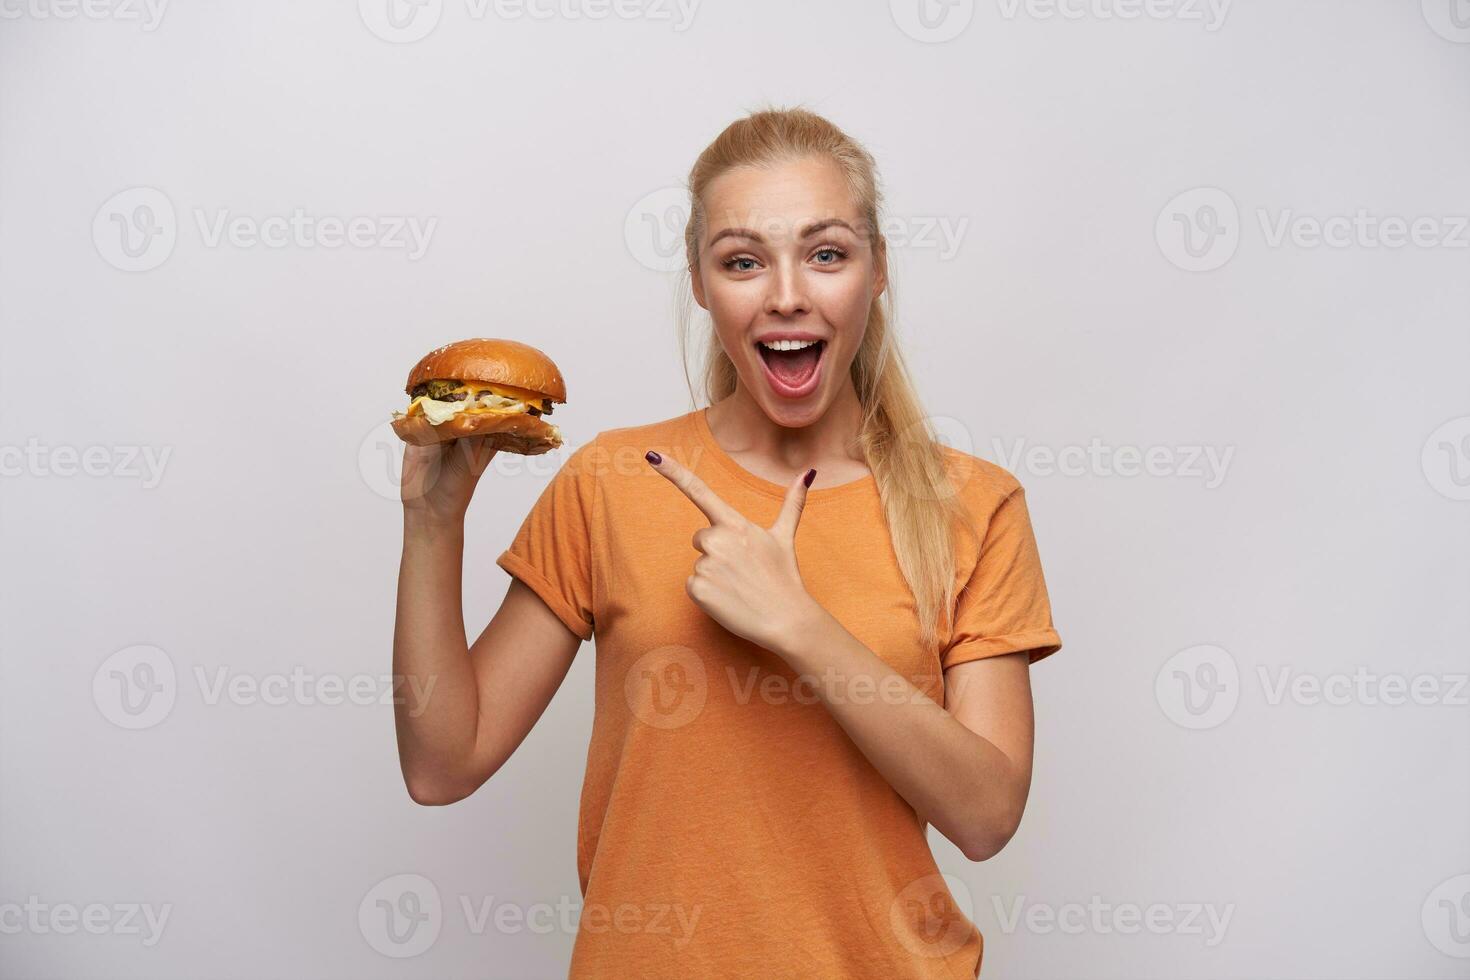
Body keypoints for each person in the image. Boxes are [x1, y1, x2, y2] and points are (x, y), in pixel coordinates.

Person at [392, 105, 1063, 979]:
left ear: (879, 269)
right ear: (703, 285)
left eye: (827, 253)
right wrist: (433, 525)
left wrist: (798, 624)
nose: (786, 293)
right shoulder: (612, 480)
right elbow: (443, 765)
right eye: (743, 260)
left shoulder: (974, 504)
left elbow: (987, 815)